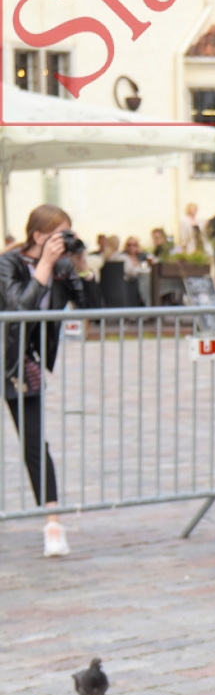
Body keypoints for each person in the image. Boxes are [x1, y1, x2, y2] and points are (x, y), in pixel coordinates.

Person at [0, 204, 89, 556]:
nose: (63, 240)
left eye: (68, 233)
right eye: (58, 234)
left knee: (35, 442)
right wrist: (44, 267)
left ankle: (53, 524)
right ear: (37, 236)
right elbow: (18, 309)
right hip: (4, 355)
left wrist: (82, 268)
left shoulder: (62, 266)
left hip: (22, 364)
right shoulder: (7, 264)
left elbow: (94, 310)